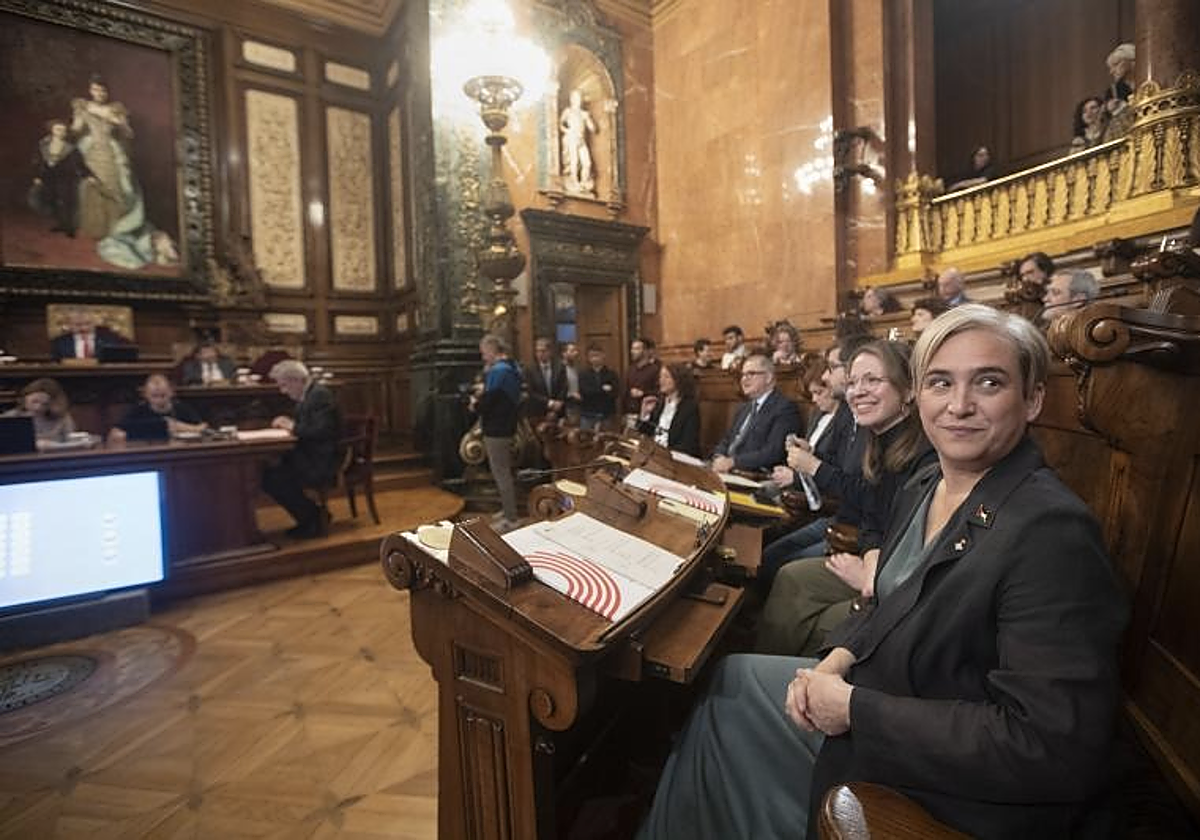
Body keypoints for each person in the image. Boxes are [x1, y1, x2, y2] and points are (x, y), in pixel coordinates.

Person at [637, 304, 1128, 840]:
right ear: (921, 397)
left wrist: (854, 708)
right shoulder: (926, 485)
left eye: (988, 382)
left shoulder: (1052, 531)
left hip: (943, 779)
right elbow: (888, 603)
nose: (959, 405)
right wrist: (835, 661)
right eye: (941, 383)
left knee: (726, 725)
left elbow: (1048, 745)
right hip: (880, 684)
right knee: (730, 679)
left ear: (1032, 398)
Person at [756, 340, 935, 655]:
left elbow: (909, 535)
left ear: (908, 391)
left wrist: (874, 574)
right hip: (872, 557)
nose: (857, 390)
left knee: (811, 613)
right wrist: (871, 557)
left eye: (873, 380)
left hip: (903, 582)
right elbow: (872, 518)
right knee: (788, 576)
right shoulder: (875, 437)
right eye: (853, 382)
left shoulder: (924, 452)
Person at [72, 74, 177, 269]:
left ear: (107, 92)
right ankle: (99, 227)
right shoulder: (83, 107)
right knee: (96, 189)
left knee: (122, 190)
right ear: (90, 90)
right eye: (95, 90)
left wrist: (120, 122)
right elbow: (76, 130)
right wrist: (75, 125)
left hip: (113, 152)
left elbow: (128, 134)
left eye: (102, 90)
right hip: (93, 151)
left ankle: (117, 227)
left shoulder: (116, 109)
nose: (99, 93)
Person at [262, 360, 342, 539]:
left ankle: (313, 519)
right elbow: (307, 426)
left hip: (322, 460)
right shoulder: (308, 395)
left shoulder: (319, 395)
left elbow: (322, 430)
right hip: (310, 455)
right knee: (270, 473)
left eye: (284, 385)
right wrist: (291, 424)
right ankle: (313, 517)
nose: (282, 391)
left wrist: (291, 426)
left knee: (273, 478)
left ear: (296, 380)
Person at [711, 354, 801, 473]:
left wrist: (733, 462)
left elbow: (773, 453)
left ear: (768, 377)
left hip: (755, 475)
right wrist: (719, 456)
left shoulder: (784, 408)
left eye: (751, 374)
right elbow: (727, 440)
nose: (744, 379)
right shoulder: (743, 408)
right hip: (728, 470)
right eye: (743, 375)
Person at [472, 334, 522, 532]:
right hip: (506, 426)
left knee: (501, 473)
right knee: (504, 471)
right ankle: (507, 509)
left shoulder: (499, 371)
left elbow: (488, 402)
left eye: (484, 353)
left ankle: (511, 519)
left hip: (497, 429)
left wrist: (475, 404)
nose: (483, 357)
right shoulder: (510, 367)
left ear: (492, 350)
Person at [28, 119, 93, 238]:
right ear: (52, 130)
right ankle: (61, 224)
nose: (61, 132)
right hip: (49, 177)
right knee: (53, 200)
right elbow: (37, 162)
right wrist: (37, 176)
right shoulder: (43, 144)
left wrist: (87, 175)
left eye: (63, 130)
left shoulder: (71, 148)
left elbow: (80, 163)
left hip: (66, 177)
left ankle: (69, 227)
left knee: (67, 202)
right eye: (58, 129)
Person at [109, 374, 206, 443]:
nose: (159, 400)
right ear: (145, 394)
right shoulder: (138, 410)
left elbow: (204, 428)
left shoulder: (182, 407)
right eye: (154, 396)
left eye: (163, 395)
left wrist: (180, 426)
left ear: (171, 392)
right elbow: (115, 433)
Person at [636, 363, 701, 456]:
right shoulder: (659, 403)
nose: (661, 380)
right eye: (660, 377)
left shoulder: (689, 407)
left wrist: (662, 453)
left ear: (678, 380)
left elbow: (688, 444)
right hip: (655, 455)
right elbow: (643, 434)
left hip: (677, 458)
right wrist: (644, 414)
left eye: (666, 377)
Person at [2, 378, 76, 446]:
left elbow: (72, 442)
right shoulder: (9, 418)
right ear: (25, 399)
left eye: (45, 404)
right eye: (34, 402)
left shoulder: (62, 418)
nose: (38, 407)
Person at [50, 307, 126, 361]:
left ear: (94, 323)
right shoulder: (59, 342)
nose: (84, 328)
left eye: (88, 324)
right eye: (78, 325)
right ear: (69, 325)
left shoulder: (110, 339)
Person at [560, 88, 597, 195]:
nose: (578, 99)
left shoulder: (584, 113)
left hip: (581, 139)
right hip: (572, 137)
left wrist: (588, 118)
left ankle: (583, 183)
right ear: (571, 99)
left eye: (579, 97)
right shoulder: (568, 111)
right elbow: (560, 124)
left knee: (587, 163)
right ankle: (574, 182)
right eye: (576, 97)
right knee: (574, 161)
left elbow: (593, 129)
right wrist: (568, 131)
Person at [523, 336, 568, 421]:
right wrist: (549, 403)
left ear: (550, 352)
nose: (540, 354)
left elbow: (563, 388)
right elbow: (530, 392)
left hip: (558, 412)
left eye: (543, 351)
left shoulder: (559, 367)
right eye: (537, 351)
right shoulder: (530, 369)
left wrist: (556, 407)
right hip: (538, 413)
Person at [578, 344, 619, 431]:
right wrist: (603, 389)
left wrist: (596, 390)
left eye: (597, 355)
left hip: (606, 414)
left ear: (603, 356)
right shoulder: (583, 374)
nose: (595, 358)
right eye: (592, 356)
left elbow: (615, 393)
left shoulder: (611, 374)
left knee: (607, 440)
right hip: (588, 414)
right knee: (586, 441)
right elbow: (585, 392)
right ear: (588, 358)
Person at [623, 337, 661, 420]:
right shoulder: (630, 370)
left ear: (645, 351)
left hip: (647, 413)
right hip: (630, 413)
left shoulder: (654, 370)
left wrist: (643, 393)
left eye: (636, 349)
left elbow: (659, 391)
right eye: (632, 349)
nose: (632, 352)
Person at [1104, 43, 1135, 116]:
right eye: (1110, 68)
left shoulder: (1147, 80)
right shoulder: (1113, 90)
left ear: (1131, 61)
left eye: (1115, 64)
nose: (1111, 72)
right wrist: (1108, 109)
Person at [561, 341, 582, 422]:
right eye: (572, 351)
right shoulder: (559, 369)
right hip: (565, 405)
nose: (576, 353)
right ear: (564, 353)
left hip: (578, 405)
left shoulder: (578, 368)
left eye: (576, 350)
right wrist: (571, 394)